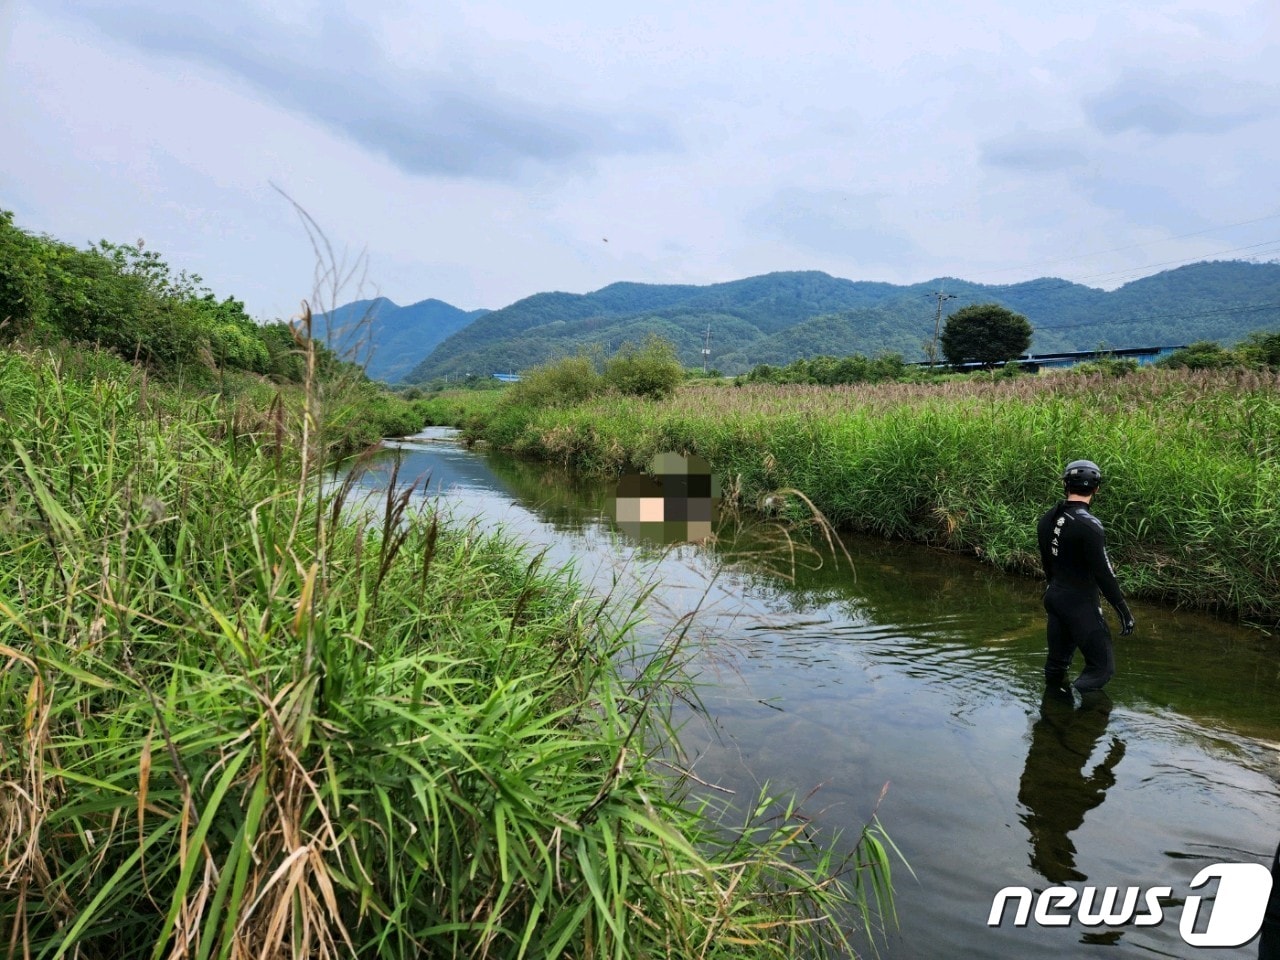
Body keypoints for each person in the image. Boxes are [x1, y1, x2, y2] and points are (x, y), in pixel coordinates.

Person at [1036, 460, 1134, 693]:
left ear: (1065, 485)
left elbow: (1047, 563)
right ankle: (1085, 723)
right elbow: (1105, 574)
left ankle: (1052, 716)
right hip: (1079, 603)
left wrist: (1056, 589)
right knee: (1101, 669)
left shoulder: (1047, 519)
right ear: (1096, 489)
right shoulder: (1090, 526)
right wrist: (1123, 611)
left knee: (1057, 664)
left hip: (1054, 597)